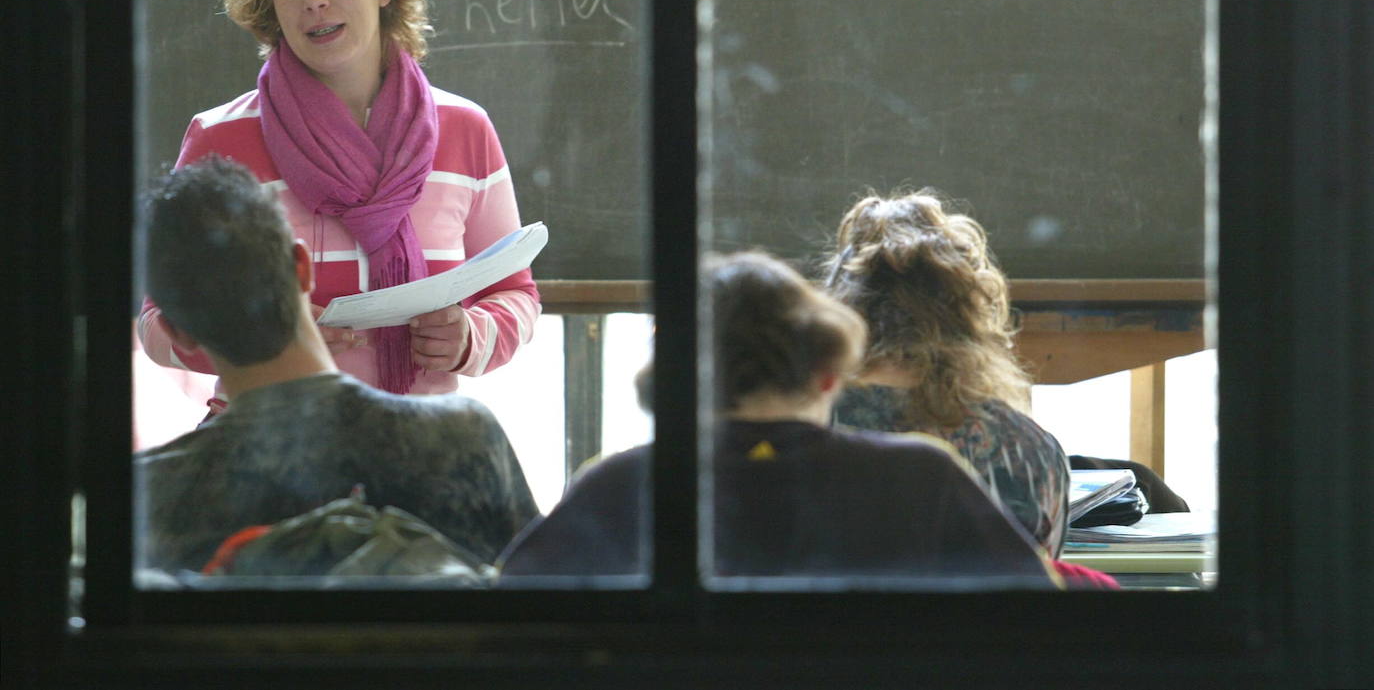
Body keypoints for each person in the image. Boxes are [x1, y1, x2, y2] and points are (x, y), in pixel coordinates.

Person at [138, 0, 540, 409]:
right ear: (269, 4)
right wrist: (270, 346)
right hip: (269, 448)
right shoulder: (220, 139)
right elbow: (157, 322)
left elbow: (515, 294)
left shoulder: (465, 127)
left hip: (420, 445)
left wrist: (470, 337)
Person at [498, 251, 1056, 586]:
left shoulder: (618, 484)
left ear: (675, 381)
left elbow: (513, 626)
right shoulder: (923, 476)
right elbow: (1034, 623)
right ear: (830, 375)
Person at [134, 157, 538, 574]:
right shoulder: (462, 440)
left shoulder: (150, 496)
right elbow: (536, 607)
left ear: (176, 332)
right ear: (302, 268)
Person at [820, 188, 1071, 556]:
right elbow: (1045, 579)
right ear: (971, 316)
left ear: (840, 313)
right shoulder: (1028, 448)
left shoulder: (804, 427)